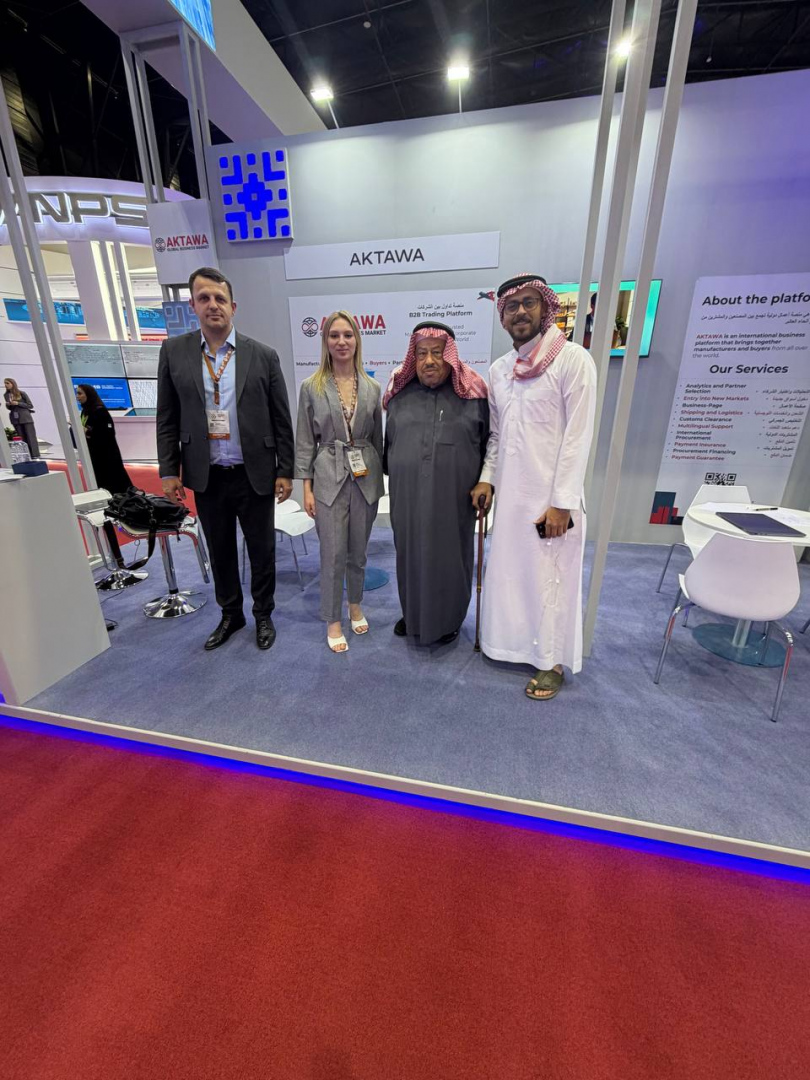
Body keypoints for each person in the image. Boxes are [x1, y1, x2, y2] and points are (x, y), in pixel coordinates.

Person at [471, 273, 597, 700]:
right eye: (512, 306)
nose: (520, 312)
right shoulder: (499, 370)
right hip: (511, 498)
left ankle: (551, 662)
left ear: (545, 308)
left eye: (529, 303)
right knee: (512, 575)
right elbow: (497, 436)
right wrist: (487, 479)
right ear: (503, 316)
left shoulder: (573, 360)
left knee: (551, 579)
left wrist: (562, 503)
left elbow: (577, 438)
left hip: (551, 501)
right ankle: (509, 645)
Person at [157, 266, 294, 653]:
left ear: (233, 306)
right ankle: (231, 614)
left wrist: (285, 470)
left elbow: (281, 419)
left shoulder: (263, 355)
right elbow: (167, 417)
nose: (212, 305)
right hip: (207, 474)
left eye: (220, 298)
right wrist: (168, 470)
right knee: (220, 550)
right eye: (204, 298)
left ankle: (263, 614)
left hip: (255, 472)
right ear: (193, 305)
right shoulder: (174, 352)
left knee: (262, 550)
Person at [384, 321, 489, 645]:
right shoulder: (398, 396)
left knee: (449, 557)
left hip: (453, 499)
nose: (429, 361)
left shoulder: (473, 395)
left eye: (437, 353)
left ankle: (448, 621)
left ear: (451, 356)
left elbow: (489, 444)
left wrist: (486, 483)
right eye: (421, 354)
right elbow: (389, 447)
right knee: (409, 554)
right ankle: (413, 615)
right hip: (408, 498)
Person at [296, 311, 384, 653]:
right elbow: (305, 441)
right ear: (325, 341)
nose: (342, 341)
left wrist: (378, 482)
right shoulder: (311, 387)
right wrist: (306, 488)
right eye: (334, 335)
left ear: (357, 340)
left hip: (364, 479)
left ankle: (355, 605)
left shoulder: (372, 387)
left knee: (358, 552)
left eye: (348, 335)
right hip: (327, 478)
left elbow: (377, 440)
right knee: (332, 554)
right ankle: (333, 619)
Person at [75, 384, 132, 494]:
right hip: (93, 453)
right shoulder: (85, 411)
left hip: (106, 454)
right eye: (77, 393)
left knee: (114, 482)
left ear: (89, 394)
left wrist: (87, 431)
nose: (77, 396)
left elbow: (107, 433)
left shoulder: (100, 411)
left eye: (80, 393)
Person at [4, 378, 39, 459]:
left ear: (13, 384)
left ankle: (35, 454)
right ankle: (26, 454)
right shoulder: (6, 395)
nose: (6, 385)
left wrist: (18, 403)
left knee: (30, 436)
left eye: (7, 383)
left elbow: (30, 405)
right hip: (15, 418)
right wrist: (8, 405)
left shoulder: (21, 393)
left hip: (25, 417)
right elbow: (10, 408)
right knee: (21, 437)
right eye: (5, 383)